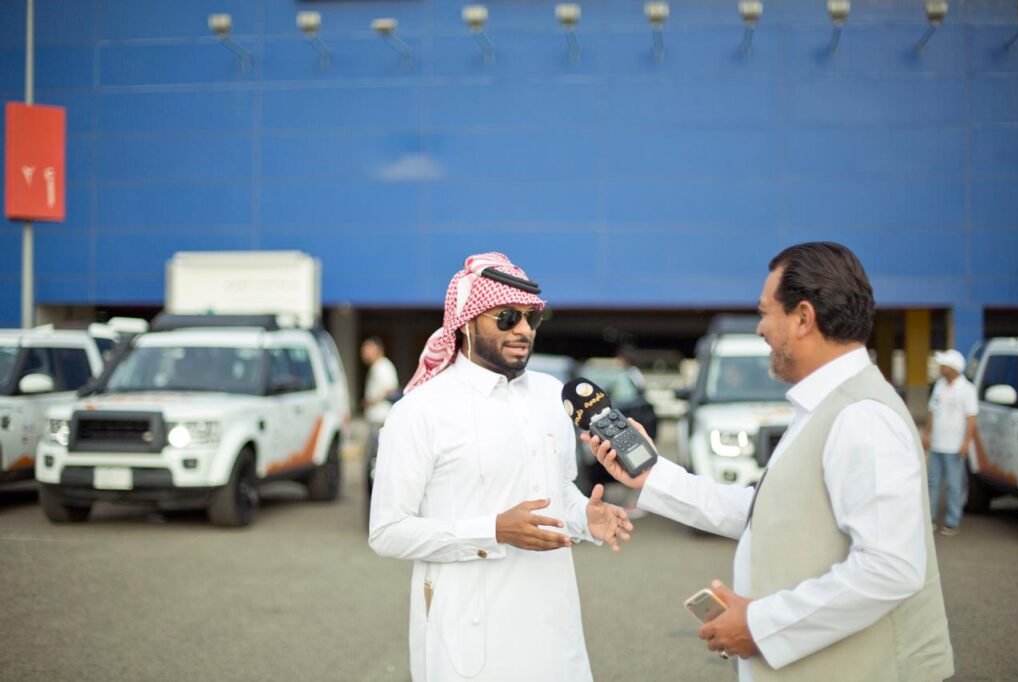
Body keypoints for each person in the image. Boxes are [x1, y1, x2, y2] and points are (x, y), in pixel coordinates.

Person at [585, 242, 954, 681]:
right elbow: (767, 514)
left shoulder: (861, 417)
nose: (760, 328)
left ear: (803, 317)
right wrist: (652, 475)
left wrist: (759, 626)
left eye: (765, 312)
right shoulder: (828, 407)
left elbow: (890, 568)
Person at [368, 252, 633, 682]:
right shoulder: (419, 412)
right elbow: (387, 531)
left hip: (554, 632)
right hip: (470, 640)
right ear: (466, 323)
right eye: (507, 317)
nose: (524, 330)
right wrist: (492, 531)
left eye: (532, 318)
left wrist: (584, 516)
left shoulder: (551, 395)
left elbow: (558, 490)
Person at [923, 349, 978, 537]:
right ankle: (929, 519)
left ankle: (952, 521)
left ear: (953, 368)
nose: (941, 368)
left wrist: (966, 442)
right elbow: (932, 411)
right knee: (932, 483)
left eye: (944, 365)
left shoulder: (967, 389)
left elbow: (971, 418)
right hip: (937, 445)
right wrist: (927, 434)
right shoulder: (939, 386)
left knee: (954, 486)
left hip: (954, 447)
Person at [360, 336, 399, 429]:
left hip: (380, 417)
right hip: (374, 417)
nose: (364, 353)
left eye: (368, 349)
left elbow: (391, 390)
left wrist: (370, 401)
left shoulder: (383, 366)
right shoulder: (376, 366)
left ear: (378, 350)